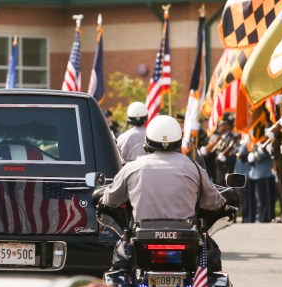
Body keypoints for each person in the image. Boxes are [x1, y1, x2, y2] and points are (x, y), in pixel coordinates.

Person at [98, 115, 230, 272]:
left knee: (119, 267)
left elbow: (110, 200)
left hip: (142, 238)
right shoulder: (193, 167)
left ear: (147, 142)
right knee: (212, 262)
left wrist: (101, 197)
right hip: (186, 238)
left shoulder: (132, 167)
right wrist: (225, 204)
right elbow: (213, 202)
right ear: (179, 141)